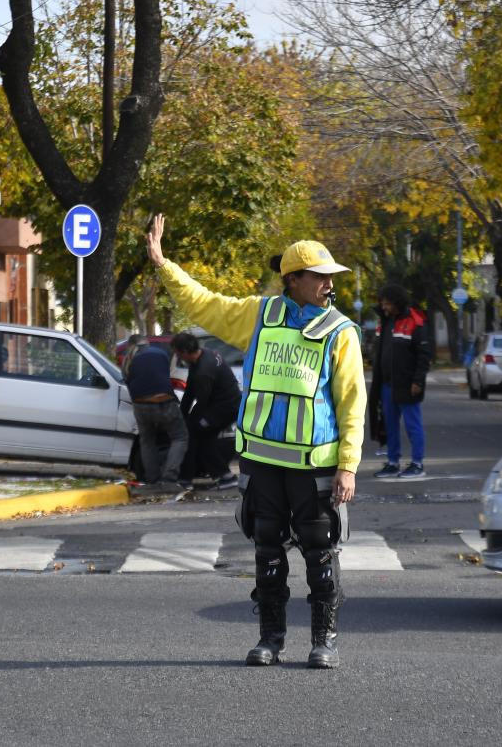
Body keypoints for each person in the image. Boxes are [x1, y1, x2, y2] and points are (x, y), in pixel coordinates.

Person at [146, 214, 366, 669]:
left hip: (315, 467)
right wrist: (164, 265)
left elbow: (352, 403)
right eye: (320, 276)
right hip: (262, 462)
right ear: (293, 279)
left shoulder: (340, 332)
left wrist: (348, 465)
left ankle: (324, 641)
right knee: (266, 551)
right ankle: (271, 639)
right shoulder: (260, 316)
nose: (329, 284)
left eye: (331, 277)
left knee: (320, 553)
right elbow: (204, 303)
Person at [370, 283, 432, 480]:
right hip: (387, 384)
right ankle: (393, 462)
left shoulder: (415, 321)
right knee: (390, 425)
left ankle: (417, 463)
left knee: (413, 425)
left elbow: (424, 356)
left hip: (407, 384)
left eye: (387, 304)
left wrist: (418, 381)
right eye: (383, 303)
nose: (385, 307)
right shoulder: (386, 321)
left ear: (397, 303)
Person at [171, 331, 241, 490]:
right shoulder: (203, 356)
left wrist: (192, 421)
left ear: (185, 352)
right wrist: (183, 415)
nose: (179, 359)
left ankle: (223, 476)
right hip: (220, 404)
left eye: (178, 355)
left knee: (198, 435)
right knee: (195, 432)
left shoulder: (204, 370)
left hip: (225, 408)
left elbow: (203, 403)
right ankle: (189, 477)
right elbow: (189, 391)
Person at [124, 335, 189, 493]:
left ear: (131, 345)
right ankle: (168, 478)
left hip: (140, 405)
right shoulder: (160, 353)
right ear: (147, 342)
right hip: (164, 401)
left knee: (147, 440)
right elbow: (165, 377)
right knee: (180, 437)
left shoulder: (128, 358)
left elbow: (128, 381)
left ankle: (152, 480)